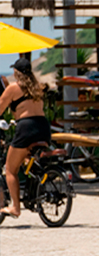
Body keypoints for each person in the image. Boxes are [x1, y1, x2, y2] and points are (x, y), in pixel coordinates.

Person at [0, 58, 51, 218]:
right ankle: (33, 190)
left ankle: (15, 207)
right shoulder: (38, 88)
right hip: (43, 127)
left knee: (10, 169)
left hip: (26, 128)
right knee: (27, 159)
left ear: (16, 72)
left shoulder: (13, 89)